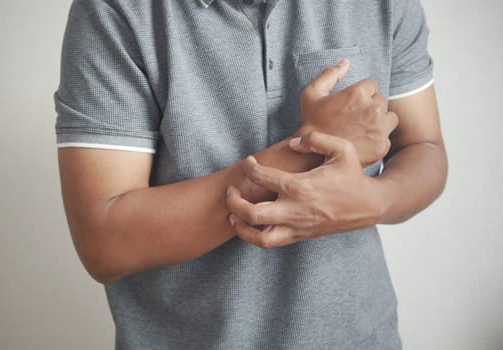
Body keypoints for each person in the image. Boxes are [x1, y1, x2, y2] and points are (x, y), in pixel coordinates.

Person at [54, 0, 447, 348]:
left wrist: (376, 200)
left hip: (364, 337)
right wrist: (307, 150)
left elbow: (424, 148)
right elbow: (104, 243)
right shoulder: (115, 10)